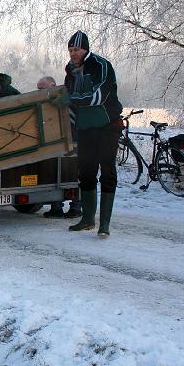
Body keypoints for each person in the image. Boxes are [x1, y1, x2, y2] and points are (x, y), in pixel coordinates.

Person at [64, 31, 123, 237]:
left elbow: (98, 96)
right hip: (85, 128)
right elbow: (71, 106)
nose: (73, 53)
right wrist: (71, 128)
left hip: (108, 125)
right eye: (71, 50)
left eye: (77, 49)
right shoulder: (70, 72)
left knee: (107, 171)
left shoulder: (101, 66)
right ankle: (88, 219)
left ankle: (104, 224)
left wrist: (71, 98)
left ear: (86, 49)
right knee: (86, 173)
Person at [39, 75, 82, 219]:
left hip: (75, 142)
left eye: (41, 88)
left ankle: (76, 207)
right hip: (58, 144)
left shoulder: (66, 100)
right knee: (57, 173)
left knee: (75, 175)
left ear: (52, 86)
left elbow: (73, 121)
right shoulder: (50, 101)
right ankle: (56, 207)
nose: (38, 92)